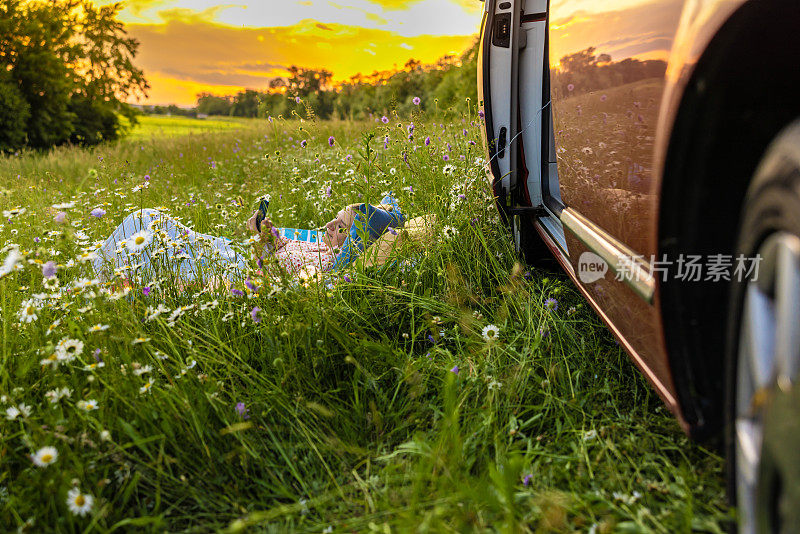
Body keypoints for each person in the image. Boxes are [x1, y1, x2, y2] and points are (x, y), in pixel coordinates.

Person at [91, 194, 405, 286]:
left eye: (339, 226)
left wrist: (264, 243)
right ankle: (100, 264)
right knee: (150, 220)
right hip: (235, 252)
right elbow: (278, 250)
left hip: (237, 270)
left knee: (156, 242)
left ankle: (103, 272)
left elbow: (270, 271)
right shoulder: (322, 247)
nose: (327, 225)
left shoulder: (328, 268)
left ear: (356, 240)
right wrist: (265, 231)